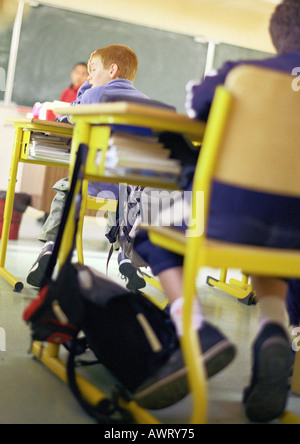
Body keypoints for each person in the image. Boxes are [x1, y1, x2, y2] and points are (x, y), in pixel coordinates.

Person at [133, 0, 300, 422]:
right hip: (296, 232)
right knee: (278, 232)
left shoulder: (242, 75)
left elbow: (195, 108)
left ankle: (195, 328)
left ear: (277, 37)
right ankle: (274, 325)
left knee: (150, 221)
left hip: (231, 218)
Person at [27, 45, 149, 291]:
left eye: (92, 70)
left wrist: (86, 88)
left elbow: (68, 115)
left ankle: (50, 248)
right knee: (125, 198)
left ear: (112, 70)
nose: (89, 76)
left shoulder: (94, 95)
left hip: (93, 183)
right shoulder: (147, 104)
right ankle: (126, 254)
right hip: (131, 190)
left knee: (67, 188)